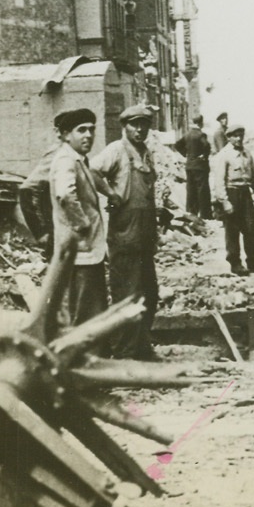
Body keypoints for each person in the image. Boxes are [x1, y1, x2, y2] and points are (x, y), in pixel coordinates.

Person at [93, 104, 161, 360]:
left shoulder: (145, 152)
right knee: (126, 294)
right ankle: (124, 352)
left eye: (144, 124)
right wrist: (111, 193)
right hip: (125, 232)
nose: (140, 129)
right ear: (125, 126)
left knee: (149, 292)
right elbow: (92, 171)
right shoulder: (117, 150)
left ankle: (142, 345)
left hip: (144, 234)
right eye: (135, 124)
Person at [48, 108, 109, 327]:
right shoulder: (66, 160)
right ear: (66, 135)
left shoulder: (78, 159)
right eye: (81, 130)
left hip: (85, 249)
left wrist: (110, 193)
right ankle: (88, 357)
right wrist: (81, 223)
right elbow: (65, 194)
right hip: (81, 249)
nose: (88, 135)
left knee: (90, 306)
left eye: (92, 130)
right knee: (86, 309)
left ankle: (96, 354)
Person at [211, 122, 254, 275]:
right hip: (231, 193)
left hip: (245, 193)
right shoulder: (224, 155)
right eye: (235, 136)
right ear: (228, 138)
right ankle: (235, 263)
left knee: (252, 229)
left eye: (241, 135)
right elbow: (219, 181)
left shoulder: (247, 154)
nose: (239, 138)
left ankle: (253, 261)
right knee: (232, 231)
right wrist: (225, 201)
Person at [19, 136, 59, 261]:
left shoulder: (79, 157)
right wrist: (40, 231)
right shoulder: (59, 154)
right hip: (59, 234)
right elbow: (27, 190)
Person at [175, 114, 212, 219]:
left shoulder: (187, 135)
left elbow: (177, 145)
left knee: (191, 190)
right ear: (201, 123)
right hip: (200, 166)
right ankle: (205, 214)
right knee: (202, 190)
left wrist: (186, 155)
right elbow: (207, 146)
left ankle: (191, 213)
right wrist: (203, 156)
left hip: (189, 166)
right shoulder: (201, 135)